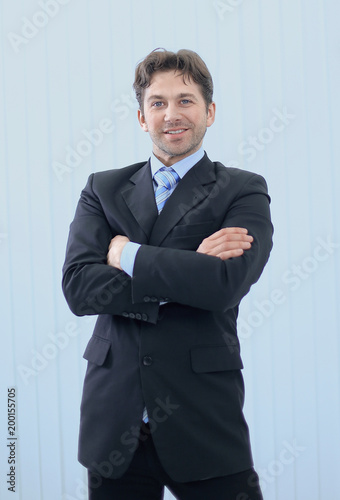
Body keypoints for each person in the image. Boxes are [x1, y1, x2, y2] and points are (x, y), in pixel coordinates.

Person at [62, 48, 273, 500]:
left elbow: (223, 285)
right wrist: (187, 268)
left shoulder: (242, 188)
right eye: (157, 103)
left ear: (209, 111)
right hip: (114, 418)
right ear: (141, 117)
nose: (171, 114)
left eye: (185, 100)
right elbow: (80, 289)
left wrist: (127, 254)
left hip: (203, 418)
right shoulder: (103, 188)